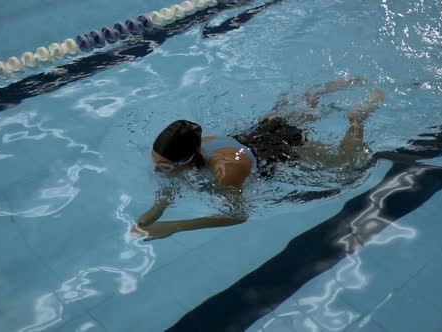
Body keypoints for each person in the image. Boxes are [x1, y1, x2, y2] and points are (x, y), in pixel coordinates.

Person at [134, 77, 385, 240]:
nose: (156, 171)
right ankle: (347, 83)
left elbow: (238, 215)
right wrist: (155, 211)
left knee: (348, 166)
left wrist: (175, 227)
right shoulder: (199, 144)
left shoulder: (226, 173)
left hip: (280, 150)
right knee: (305, 102)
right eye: (156, 162)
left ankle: (357, 120)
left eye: (164, 166)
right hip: (259, 131)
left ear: (185, 161)